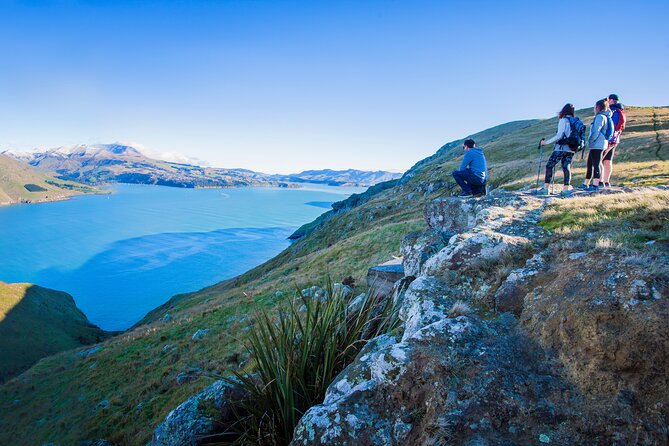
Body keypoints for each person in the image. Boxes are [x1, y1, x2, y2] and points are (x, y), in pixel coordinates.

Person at [537, 103, 577, 195]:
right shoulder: (575, 121)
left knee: (549, 165)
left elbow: (559, 135)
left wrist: (546, 142)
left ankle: (546, 188)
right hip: (571, 148)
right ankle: (566, 190)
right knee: (566, 167)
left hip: (561, 148)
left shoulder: (564, 120)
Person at [580, 99, 610, 191]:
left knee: (596, 163)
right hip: (600, 143)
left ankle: (595, 184)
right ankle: (587, 183)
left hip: (597, 144)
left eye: (595, 107)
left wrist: (591, 140)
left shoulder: (600, 117)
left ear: (598, 107)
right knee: (590, 163)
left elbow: (595, 131)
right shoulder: (604, 116)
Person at [602, 94, 626, 187]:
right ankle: (606, 181)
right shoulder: (621, 111)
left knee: (601, 159)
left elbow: (610, 126)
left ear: (611, 100)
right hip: (615, 139)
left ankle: (600, 181)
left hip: (609, 139)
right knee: (608, 160)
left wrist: (607, 138)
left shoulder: (612, 111)